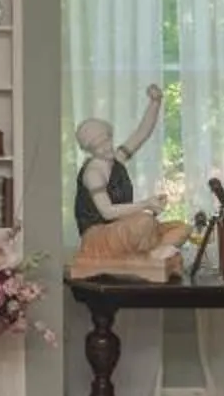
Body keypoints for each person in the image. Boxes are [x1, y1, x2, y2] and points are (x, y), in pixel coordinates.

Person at [70, 91, 185, 280]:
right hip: (97, 236)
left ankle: (154, 254)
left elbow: (142, 133)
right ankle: (151, 254)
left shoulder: (117, 159)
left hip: (120, 229)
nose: (106, 148)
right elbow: (107, 212)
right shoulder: (93, 173)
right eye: (98, 146)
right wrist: (146, 204)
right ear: (89, 150)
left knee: (180, 228)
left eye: (106, 140)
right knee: (144, 222)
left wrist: (155, 102)